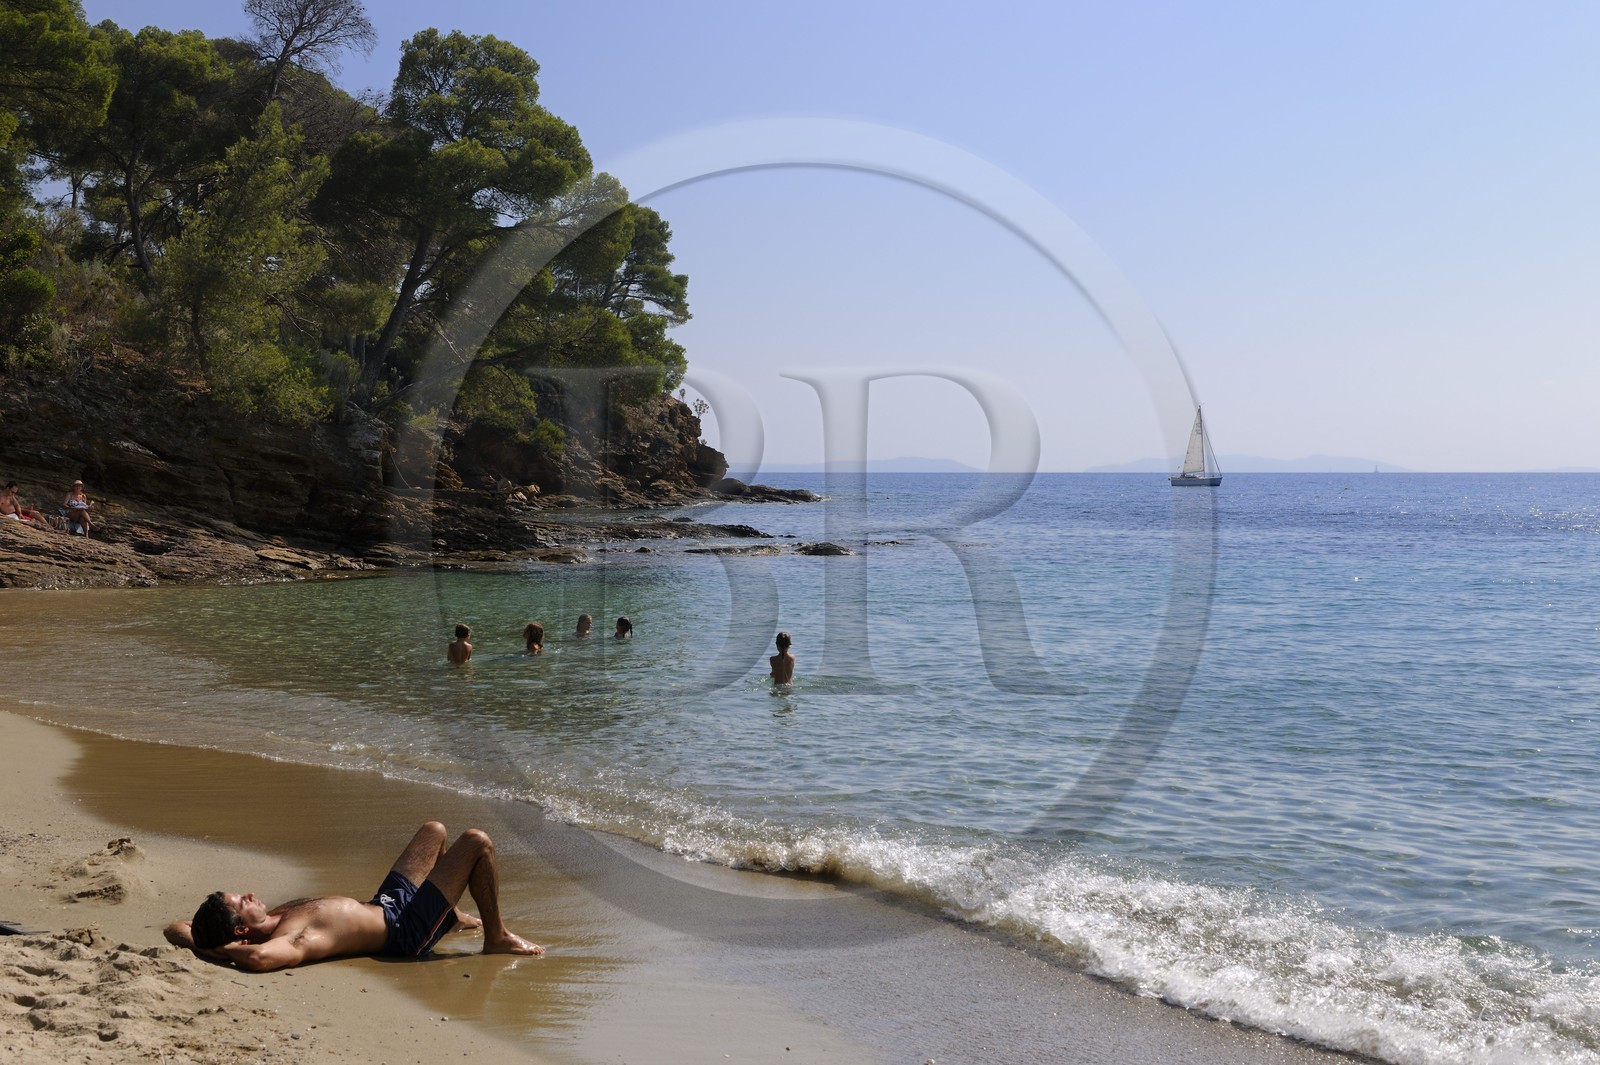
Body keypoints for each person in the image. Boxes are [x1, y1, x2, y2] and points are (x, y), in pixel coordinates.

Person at [163, 821, 542, 972]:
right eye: (241, 903)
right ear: (241, 933)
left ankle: (451, 917)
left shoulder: (272, 919)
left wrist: (206, 946)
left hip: (387, 903)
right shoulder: (290, 939)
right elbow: (261, 959)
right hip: (404, 932)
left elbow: (175, 928)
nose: (249, 894)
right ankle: (496, 937)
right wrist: (224, 952)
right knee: (477, 842)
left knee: (434, 831)